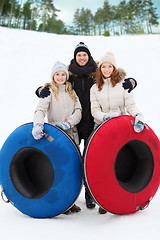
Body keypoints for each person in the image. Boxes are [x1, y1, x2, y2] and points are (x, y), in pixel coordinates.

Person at [35, 43, 138, 210]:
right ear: (75, 57)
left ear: (89, 57)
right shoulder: (69, 75)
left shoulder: (95, 72)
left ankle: (91, 196)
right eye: (79, 55)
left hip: (93, 123)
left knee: (94, 162)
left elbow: (113, 78)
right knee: (72, 163)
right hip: (74, 126)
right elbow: (57, 84)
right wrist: (41, 90)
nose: (81, 58)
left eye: (84, 55)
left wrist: (132, 81)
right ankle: (69, 199)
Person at [90, 52, 144, 214]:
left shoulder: (123, 85)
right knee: (101, 165)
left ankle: (119, 197)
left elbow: (130, 104)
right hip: (101, 127)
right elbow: (94, 110)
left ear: (114, 68)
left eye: (110, 66)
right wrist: (104, 117)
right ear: (100, 69)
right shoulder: (95, 88)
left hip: (120, 128)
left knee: (118, 161)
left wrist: (138, 115)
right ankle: (102, 200)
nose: (107, 69)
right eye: (104, 66)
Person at [32, 61, 82, 214]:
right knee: (58, 170)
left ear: (66, 76)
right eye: (57, 74)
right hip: (55, 137)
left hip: (71, 135)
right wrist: (38, 124)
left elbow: (78, 110)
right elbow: (40, 110)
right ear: (53, 76)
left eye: (62, 74)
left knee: (73, 171)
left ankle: (71, 202)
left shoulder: (71, 91)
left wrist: (68, 123)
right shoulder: (48, 92)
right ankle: (61, 203)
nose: (60, 77)